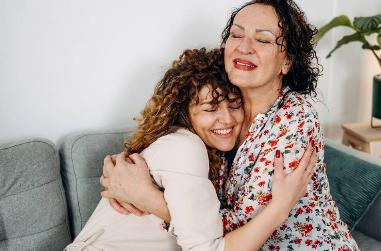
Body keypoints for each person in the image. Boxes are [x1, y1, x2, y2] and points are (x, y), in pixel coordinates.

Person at [101, 0, 360, 250]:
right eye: (236, 35)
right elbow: (164, 144)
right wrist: (120, 169)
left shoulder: (296, 119)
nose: (244, 47)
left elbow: (242, 224)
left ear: (287, 61)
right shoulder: (218, 105)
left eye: (263, 39)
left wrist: (146, 197)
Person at [65, 48, 316, 251]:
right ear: (185, 113)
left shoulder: (218, 157)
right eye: (210, 109)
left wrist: (148, 198)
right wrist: (280, 208)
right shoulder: (185, 147)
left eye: (234, 105)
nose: (227, 119)